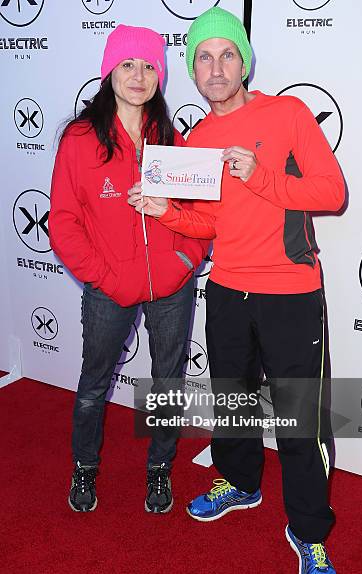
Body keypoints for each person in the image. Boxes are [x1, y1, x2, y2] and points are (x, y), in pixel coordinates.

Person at [128, 7, 345, 574]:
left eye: (227, 54)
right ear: (192, 69)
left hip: (291, 292)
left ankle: (309, 529)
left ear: (244, 62)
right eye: (204, 56)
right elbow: (206, 224)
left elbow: (332, 191)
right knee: (233, 401)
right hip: (226, 289)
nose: (216, 67)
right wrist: (164, 210)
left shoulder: (288, 113)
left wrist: (263, 175)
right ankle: (240, 480)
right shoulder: (196, 138)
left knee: (301, 421)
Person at [49, 24, 208, 514]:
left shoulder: (171, 137)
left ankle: (159, 471)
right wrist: (107, 278)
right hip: (107, 287)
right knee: (95, 383)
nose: (138, 76)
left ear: (159, 74)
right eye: (127, 65)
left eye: (148, 66)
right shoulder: (79, 138)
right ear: (109, 72)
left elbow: (197, 215)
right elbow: (64, 222)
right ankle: (84, 468)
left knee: (167, 382)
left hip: (172, 287)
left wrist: (185, 259)